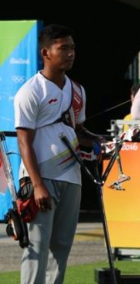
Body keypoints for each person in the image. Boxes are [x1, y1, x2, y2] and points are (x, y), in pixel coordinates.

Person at [14, 24, 104, 284]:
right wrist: (38, 184)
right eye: (63, 48)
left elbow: (78, 130)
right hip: (40, 178)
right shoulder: (31, 91)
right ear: (46, 52)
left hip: (71, 176)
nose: (70, 53)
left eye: (73, 48)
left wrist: (99, 141)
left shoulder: (78, 90)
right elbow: (24, 142)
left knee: (61, 247)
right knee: (37, 247)